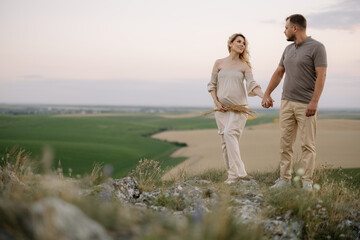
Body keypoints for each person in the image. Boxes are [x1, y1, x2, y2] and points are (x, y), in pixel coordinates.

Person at [262, 14, 327, 190]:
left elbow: (322, 75)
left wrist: (314, 101)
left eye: (286, 27)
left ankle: (307, 182)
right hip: (286, 103)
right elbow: (278, 73)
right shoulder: (288, 50)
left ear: (295, 28)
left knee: (307, 144)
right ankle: (284, 179)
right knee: (285, 143)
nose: (284, 30)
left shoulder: (317, 48)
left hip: (306, 104)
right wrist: (267, 93)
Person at [207, 33, 264, 184]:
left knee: (229, 133)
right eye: (239, 42)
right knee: (225, 141)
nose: (242, 45)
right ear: (230, 44)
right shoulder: (218, 63)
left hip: (239, 109)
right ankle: (231, 175)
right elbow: (212, 85)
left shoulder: (244, 66)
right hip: (221, 109)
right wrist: (217, 102)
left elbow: (252, 85)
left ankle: (239, 174)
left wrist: (263, 96)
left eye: (244, 43)